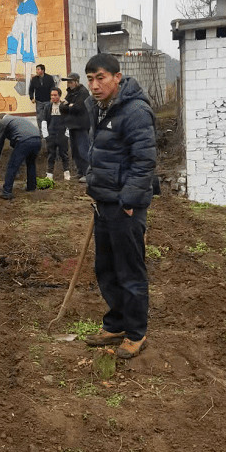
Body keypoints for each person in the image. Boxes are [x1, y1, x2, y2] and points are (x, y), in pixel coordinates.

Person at [82, 53, 156, 359]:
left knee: (129, 272)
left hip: (124, 207)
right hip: (104, 203)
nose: (94, 85)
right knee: (107, 269)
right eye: (90, 79)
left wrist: (129, 201)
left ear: (117, 77)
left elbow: (145, 161)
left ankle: (136, 332)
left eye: (100, 78)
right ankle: (116, 324)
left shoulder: (136, 111)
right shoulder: (98, 109)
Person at [0, 113, 42, 200]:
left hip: (24, 141)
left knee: (12, 166)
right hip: (37, 139)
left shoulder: (3, 122)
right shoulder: (17, 119)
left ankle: (7, 192)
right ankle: (31, 187)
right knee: (31, 164)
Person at [59, 72, 91, 182]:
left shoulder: (83, 92)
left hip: (81, 125)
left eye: (71, 82)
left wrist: (68, 106)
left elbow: (78, 108)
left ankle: (88, 173)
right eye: (68, 82)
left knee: (83, 149)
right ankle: (80, 172)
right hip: (72, 125)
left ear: (77, 82)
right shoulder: (70, 93)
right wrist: (68, 106)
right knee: (75, 151)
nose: (69, 84)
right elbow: (61, 107)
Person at [7, 0, 38, 83]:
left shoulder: (31, 3)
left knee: (27, 53)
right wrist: (13, 32)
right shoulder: (21, 4)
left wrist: (24, 31)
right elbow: (18, 20)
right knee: (11, 41)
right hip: (19, 31)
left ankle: (28, 81)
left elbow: (30, 21)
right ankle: (12, 73)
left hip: (26, 34)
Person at [44, 87, 70, 181]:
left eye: (55, 95)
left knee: (64, 154)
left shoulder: (64, 106)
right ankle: (49, 174)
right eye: (51, 95)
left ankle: (66, 173)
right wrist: (45, 134)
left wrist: (67, 133)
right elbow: (44, 121)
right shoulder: (48, 107)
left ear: (59, 96)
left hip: (62, 135)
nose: (53, 97)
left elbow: (68, 120)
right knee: (51, 155)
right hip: (51, 135)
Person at [28, 64, 55, 130]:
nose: (36, 71)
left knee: (48, 116)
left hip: (48, 101)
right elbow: (31, 89)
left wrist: (52, 98)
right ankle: (41, 132)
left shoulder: (49, 78)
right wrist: (32, 98)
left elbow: (53, 88)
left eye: (38, 69)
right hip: (39, 101)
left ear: (42, 71)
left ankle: (49, 130)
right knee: (40, 117)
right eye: (36, 69)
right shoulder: (34, 79)